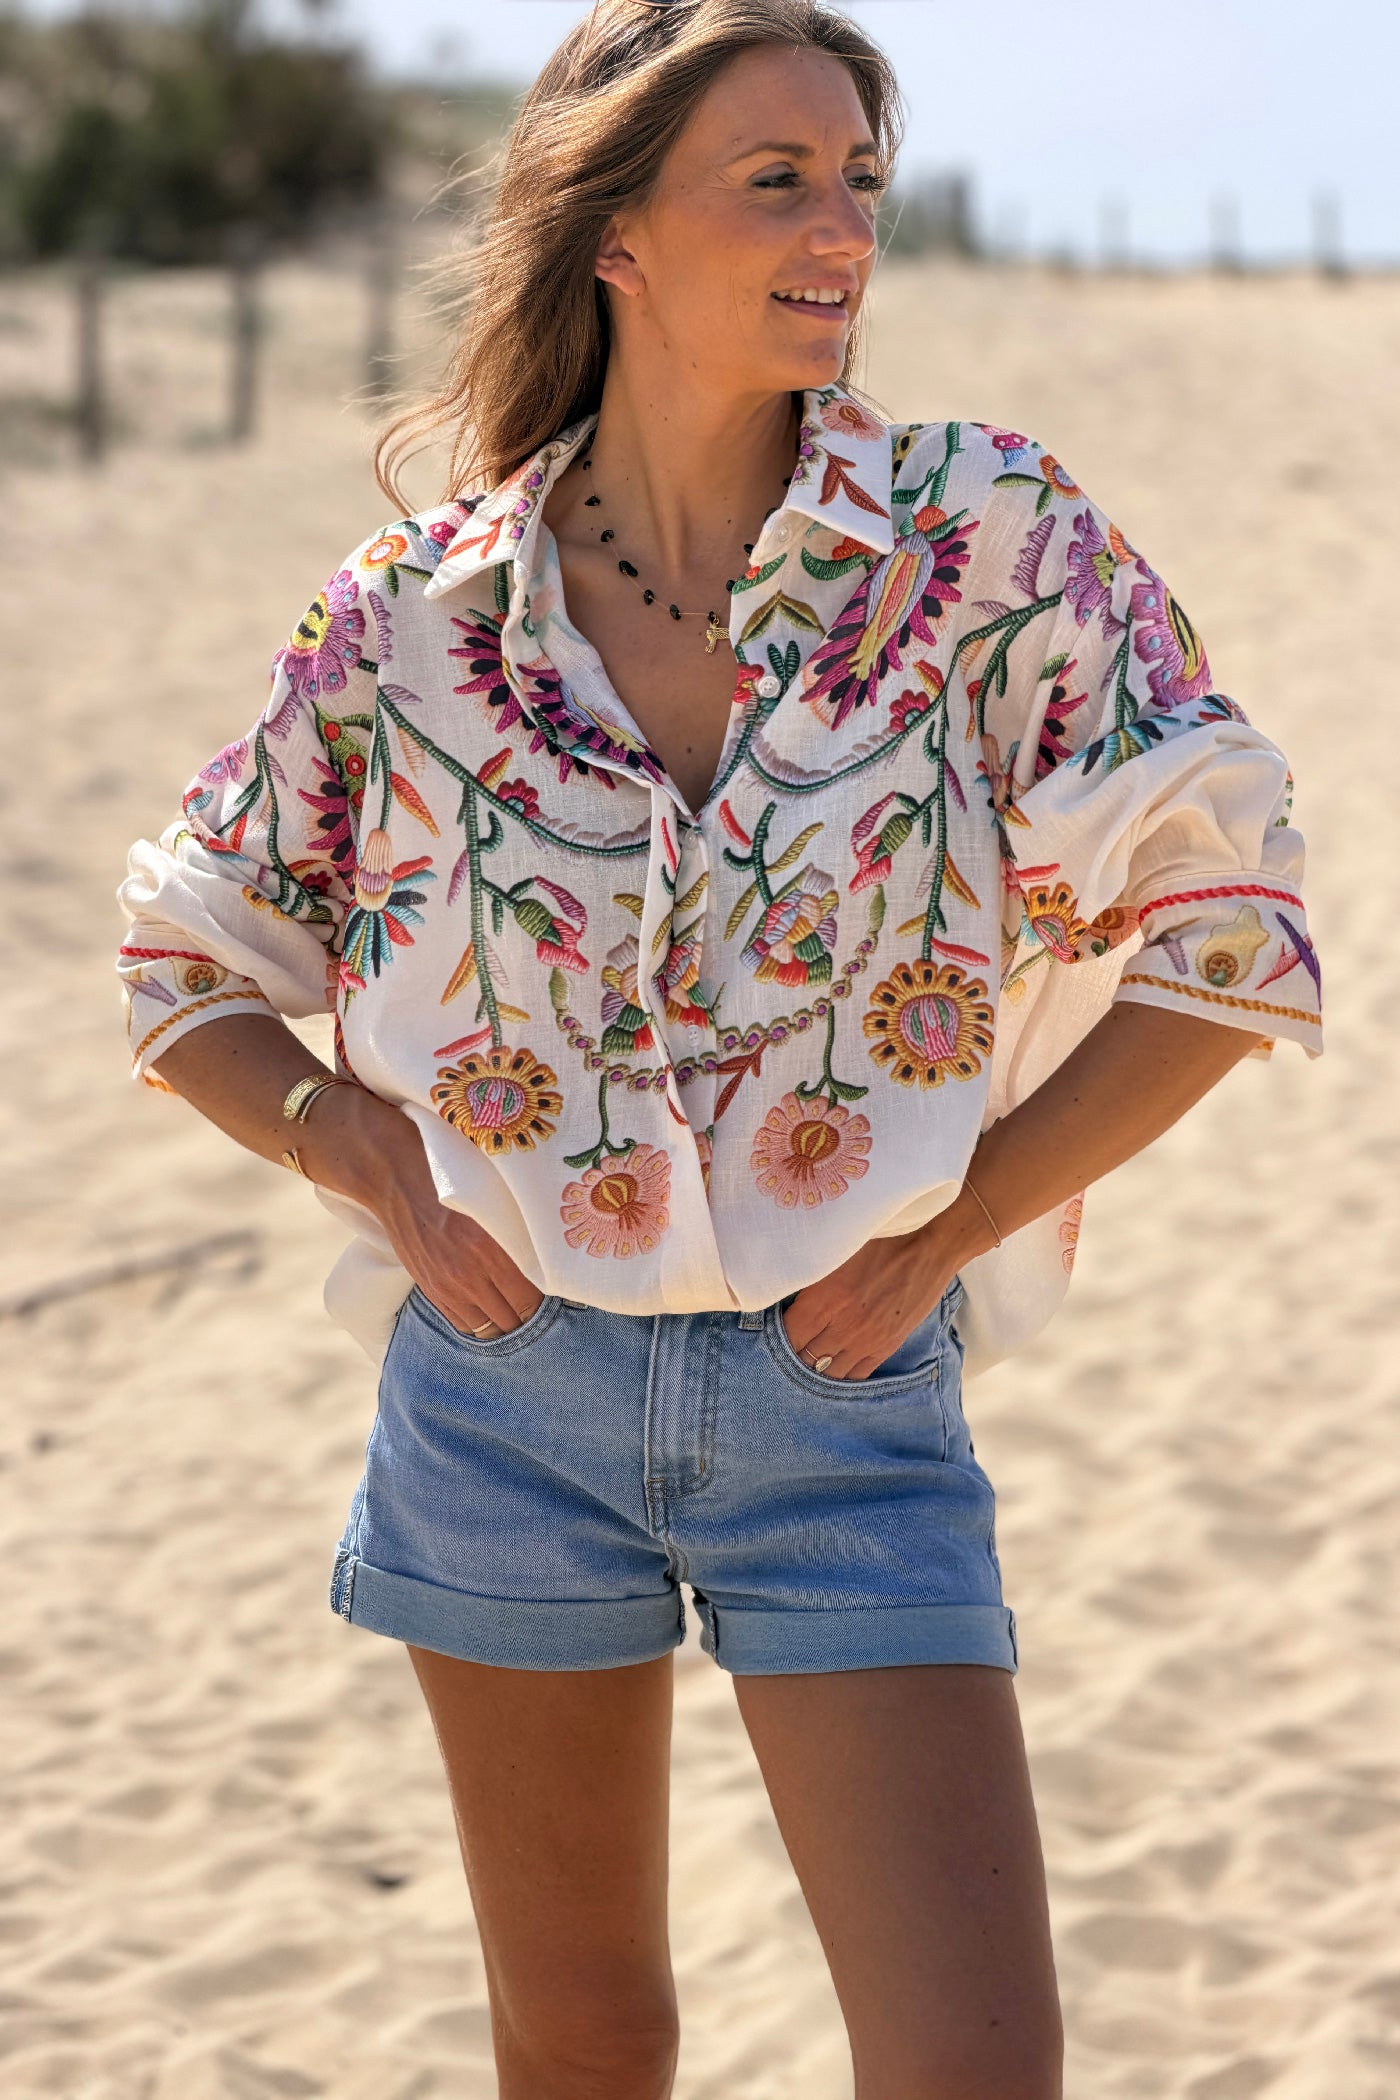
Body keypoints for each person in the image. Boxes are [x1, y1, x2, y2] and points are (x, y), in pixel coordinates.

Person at [113, 2, 1324, 2094]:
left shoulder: (980, 542)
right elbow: (187, 956)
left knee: (971, 2060)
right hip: (499, 1394)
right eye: (773, 181)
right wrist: (366, 1158)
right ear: (617, 236)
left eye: (855, 177)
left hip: (839, 1397)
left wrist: (956, 1223)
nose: (838, 225)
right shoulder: (419, 616)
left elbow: (1231, 926)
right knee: (581, 2042)